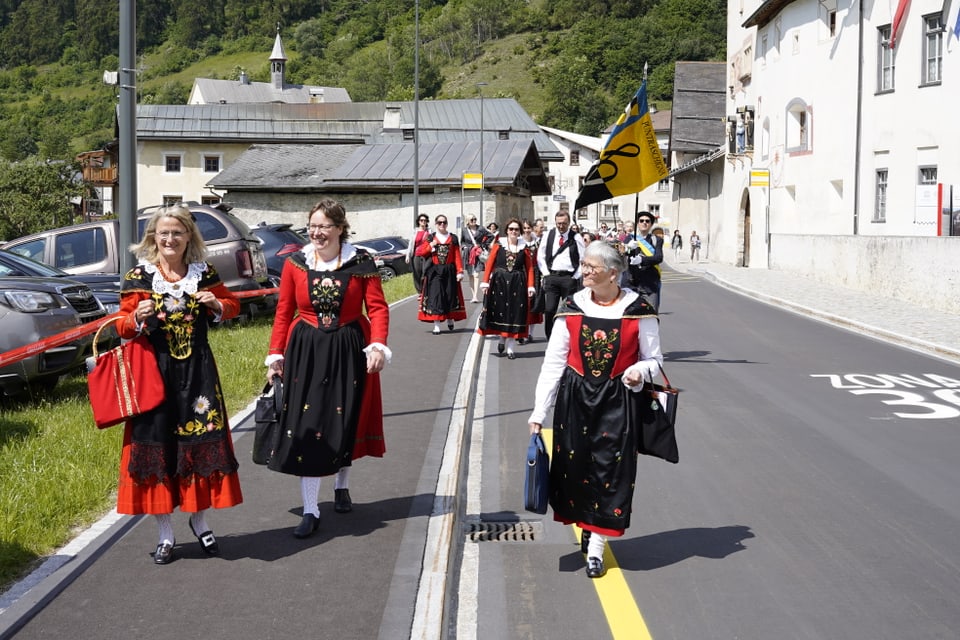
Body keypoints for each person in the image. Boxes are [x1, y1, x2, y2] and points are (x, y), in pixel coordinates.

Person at [117, 203, 243, 565]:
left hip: (198, 374)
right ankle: (165, 533)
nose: (170, 238)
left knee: (199, 445)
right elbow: (121, 324)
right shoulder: (139, 276)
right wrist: (136, 318)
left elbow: (232, 305)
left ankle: (200, 522)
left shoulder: (205, 273)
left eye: (178, 232)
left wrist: (217, 303)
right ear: (153, 237)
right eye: (164, 232)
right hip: (155, 374)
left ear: (190, 236)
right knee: (159, 448)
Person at [527, 240, 662, 579]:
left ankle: (597, 548)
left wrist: (639, 372)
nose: (583, 270)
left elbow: (655, 361)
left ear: (613, 273)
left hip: (619, 402)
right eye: (584, 265)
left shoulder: (638, 309)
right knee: (575, 470)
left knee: (610, 473)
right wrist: (538, 412)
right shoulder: (572, 306)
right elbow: (554, 362)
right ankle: (587, 524)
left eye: (591, 266)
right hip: (575, 401)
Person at [265, 199, 390, 538]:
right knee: (309, 422)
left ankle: (341, 485)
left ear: (339, 228)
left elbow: (377, 308)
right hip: (306, 348)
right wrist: (275, 353)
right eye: (313, 226)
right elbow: (284, 311)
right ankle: (310, 508)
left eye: (324, 226)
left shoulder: (361, 262)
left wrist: (377, 345)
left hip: (349, 346)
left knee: (343, 418)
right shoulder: (296, 263)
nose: (317, 232)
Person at [477, 218, 535, 359]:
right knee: (501, 311)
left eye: (516, 229)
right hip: (499, 281)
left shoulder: (524, 247)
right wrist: (485, 282)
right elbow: (490, 263)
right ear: (507, 231)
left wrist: (530, 285)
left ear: (519, 231)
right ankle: (502, 338)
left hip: (517, 282)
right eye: (511, 229)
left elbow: (529, 268)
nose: (513, 231)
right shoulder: (499, 244)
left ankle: (510, 348)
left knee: (514, 313)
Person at [537, 210, 585, 340]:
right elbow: (540, 256)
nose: (561, 226)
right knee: (550, 309)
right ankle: (550, 336)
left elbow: (583, 258)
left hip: (568, 278)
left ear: (569, 223)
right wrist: (546, 274)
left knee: (569, 310)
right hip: (552, 276)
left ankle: (568, 337)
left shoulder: (576, 237)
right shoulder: (548, 235)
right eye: (558, 223)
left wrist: (575, 276)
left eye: (564, 223)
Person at [417, 214, 466, 334]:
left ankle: (450, 318)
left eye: (444, 222)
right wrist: (430, 246)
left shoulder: (453, 238)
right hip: (435, 270)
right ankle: (437, 324)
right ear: (436, 224)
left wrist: (460, 271)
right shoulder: (430, 237)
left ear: (447, 224)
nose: (442, 225)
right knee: (436, 296)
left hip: (449, 270)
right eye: (439, 223)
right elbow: (420, 252)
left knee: (449, 295)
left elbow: (456, 256)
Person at [626, 211, 664, 311]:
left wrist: (641, 260)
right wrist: (628, 248)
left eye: (647, 221)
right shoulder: (629, 238)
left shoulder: (656, 240)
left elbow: (658, 257)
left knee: (651, 315)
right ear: (638, 224)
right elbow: (620, 255)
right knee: (631, 317)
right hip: (632, 284)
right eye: (641, 221)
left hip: (650, 284)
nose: (644, 223)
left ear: (651, 224)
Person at [460, 215, 492, 303]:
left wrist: (483, 245)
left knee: (476, 275)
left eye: (475, 219)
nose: (474, 221)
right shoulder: (464, 230)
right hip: (469, 253)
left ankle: (475, 296)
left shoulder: (480, 228)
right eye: (472, 219)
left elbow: (491, 236)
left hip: (478, 253)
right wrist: (464, 247)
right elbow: (462, 241)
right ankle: (473, 294)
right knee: (470, 275)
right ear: (467, 221)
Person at [406, 213, 431, 293]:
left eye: (425, 220)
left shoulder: (430, 231)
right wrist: (407, 255)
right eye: (421, 220)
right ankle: (420, 292)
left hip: (427, 255)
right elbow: (410, 244)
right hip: (416, 255)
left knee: (425, 272)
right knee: (417, 274)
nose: (423, 222)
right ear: (418, 222)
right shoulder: (415, 231)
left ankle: (425, 290)